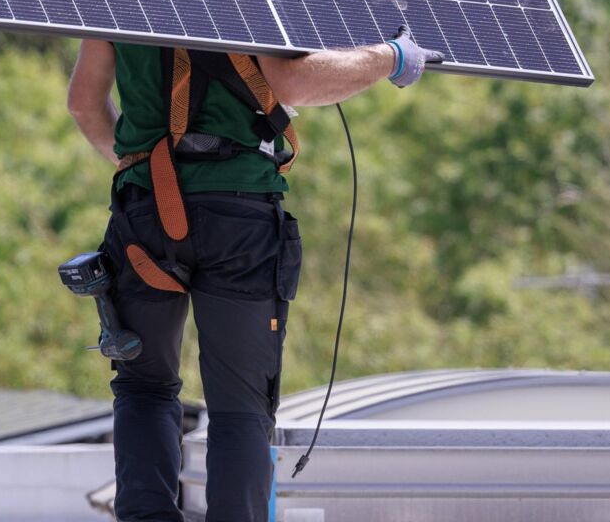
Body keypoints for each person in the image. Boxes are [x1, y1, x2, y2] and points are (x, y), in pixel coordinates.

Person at [66, 30, 444, 522]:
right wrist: (391, 58)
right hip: (238, 216)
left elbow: (83, 103)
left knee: (143, 387)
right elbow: (295, 83)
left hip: (143, 214)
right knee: (240, 408)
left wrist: (140, 166)